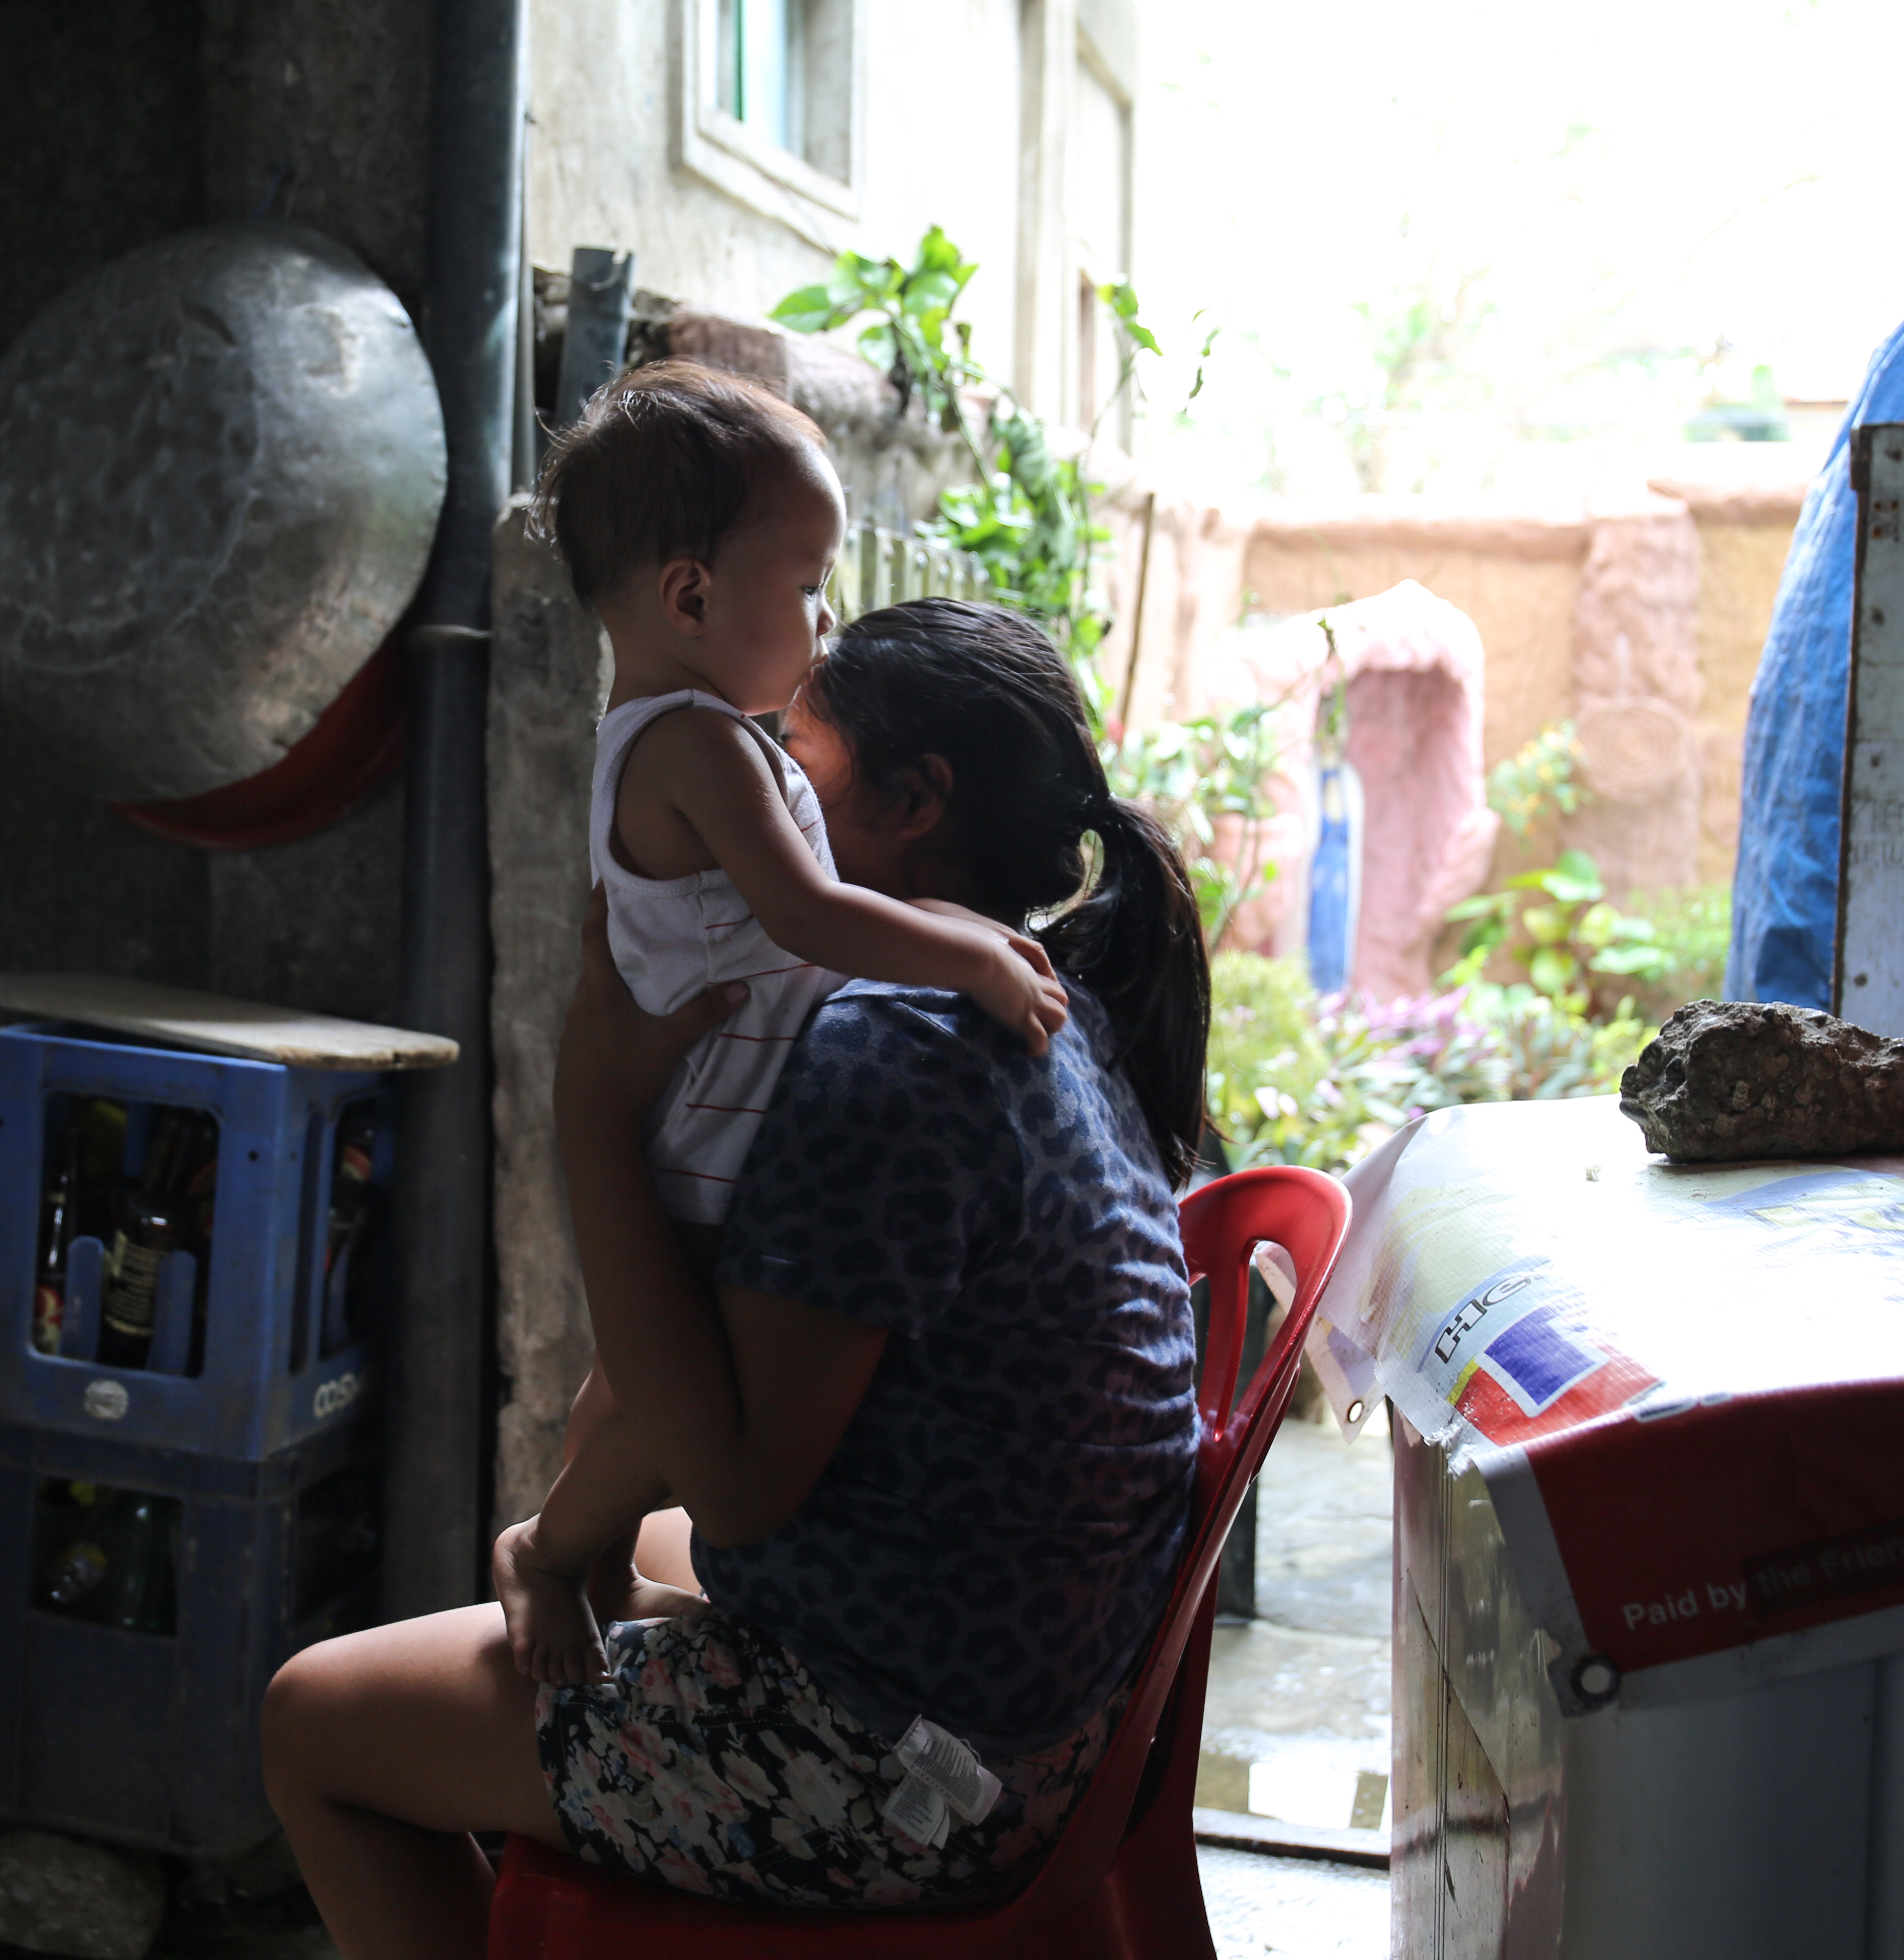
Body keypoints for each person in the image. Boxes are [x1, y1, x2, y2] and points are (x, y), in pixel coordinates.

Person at [259, 597, 1210, 1958]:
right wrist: (567, 1538)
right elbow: (709, 1386)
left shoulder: (897, 1047)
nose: (747, 806)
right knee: (619, 1551)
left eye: (789, 764)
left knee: (313, 1719)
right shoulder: (1037, 995)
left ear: (913, 801)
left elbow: (741, 1478)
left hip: (903, 1777)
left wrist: (593, 1108)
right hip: (1041, 1709)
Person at [491, 361, 1069, 1685]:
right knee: (669, 1390)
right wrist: (973, 956)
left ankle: (590, 1547)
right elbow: (809, 916)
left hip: (714, 1099)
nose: (826, 620)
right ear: (692, 595)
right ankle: (551, 1548)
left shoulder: (697, 732)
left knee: (632, 1372)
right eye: (809, 583)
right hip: (712, 1119)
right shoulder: (690, 745)